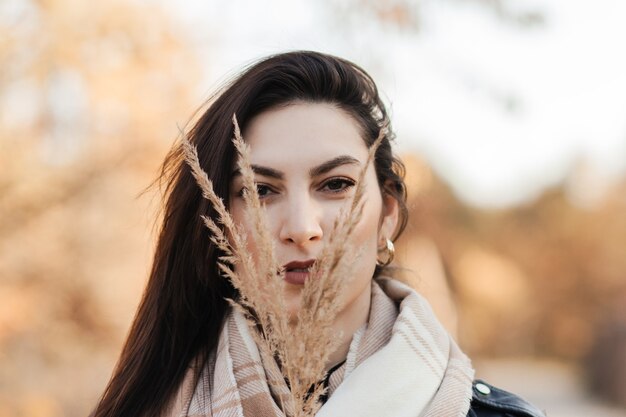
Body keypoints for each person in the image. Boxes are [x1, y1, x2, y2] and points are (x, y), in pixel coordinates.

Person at [92, 51, 545, 417]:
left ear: (387, 213)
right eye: (261, 191)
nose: (302, 230)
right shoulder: (151, 405)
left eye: (335, 185)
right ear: (219, 226)